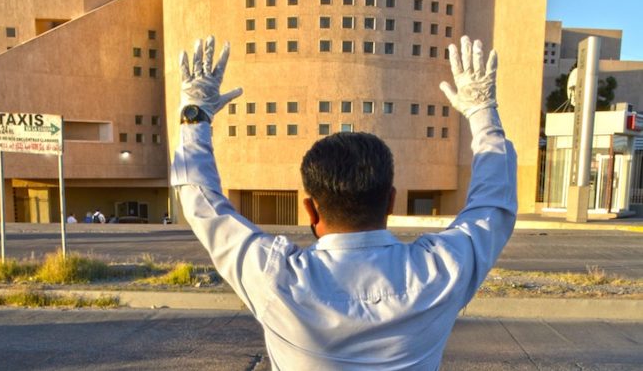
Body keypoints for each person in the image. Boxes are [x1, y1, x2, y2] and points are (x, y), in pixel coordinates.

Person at [172, 35, 516, 370]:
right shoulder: (441, 271)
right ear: (390, 201)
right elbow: (493, 205)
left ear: (310, 209)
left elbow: (201, 202)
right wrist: (482, 111)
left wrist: (195, 115)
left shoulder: (275, 279)